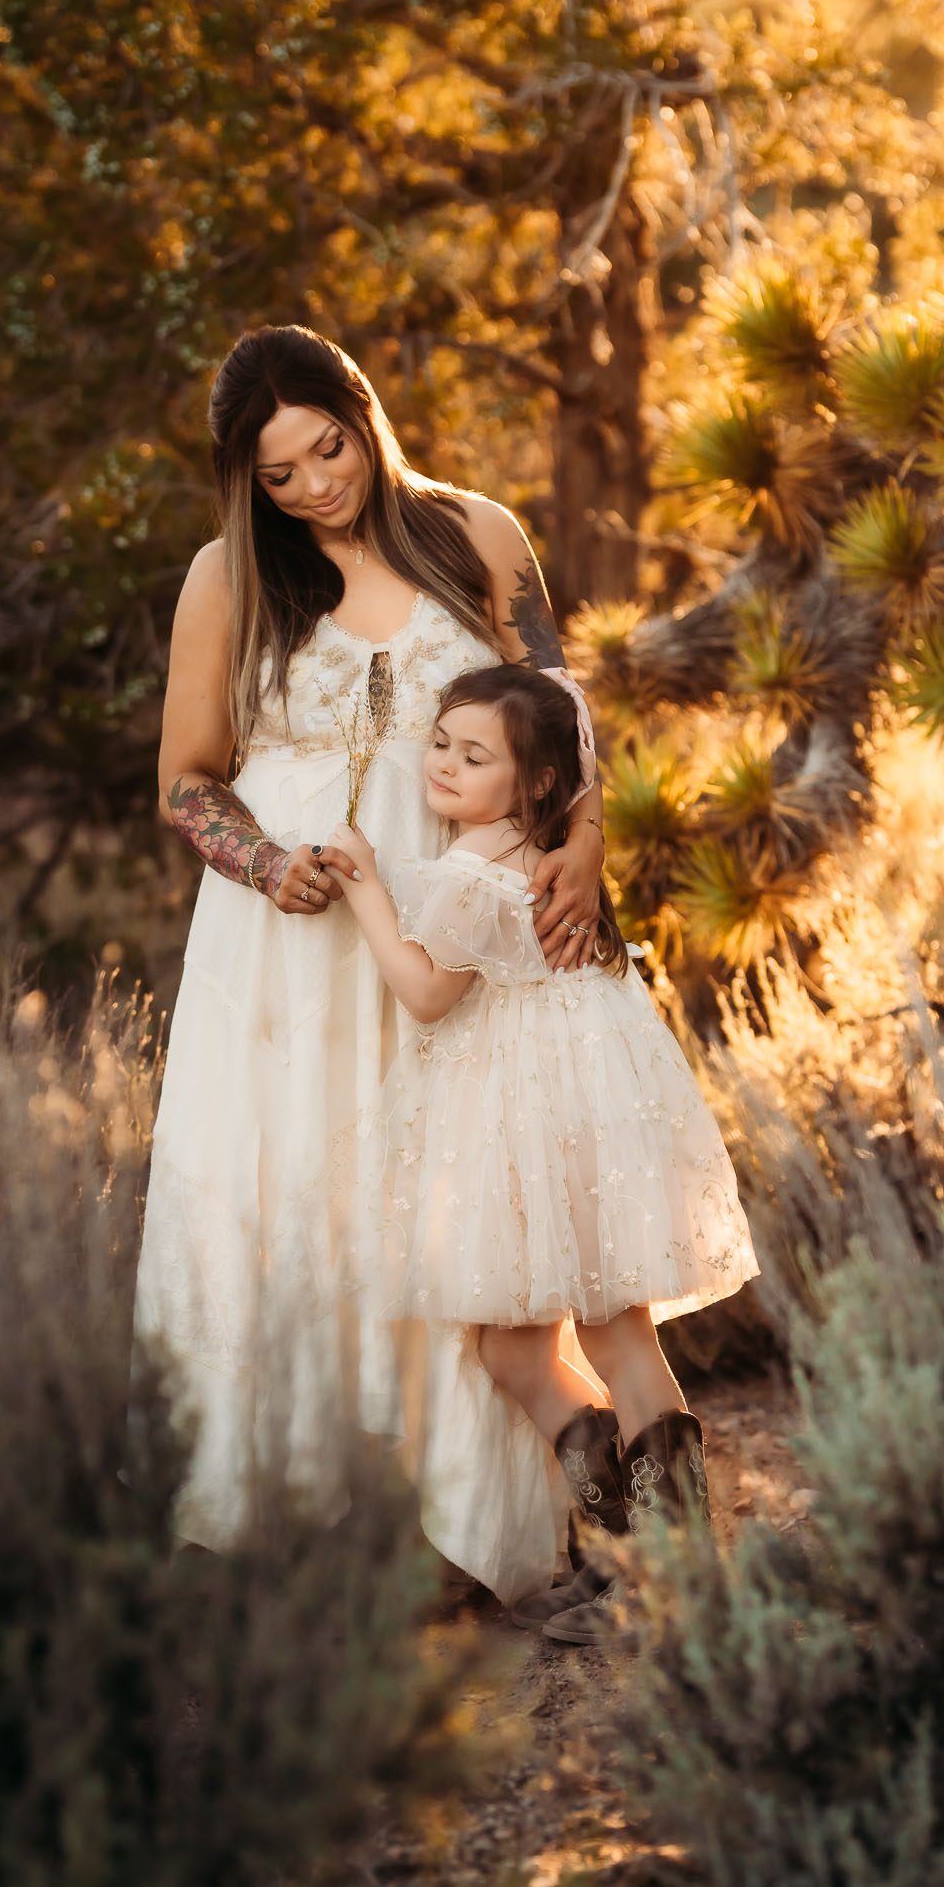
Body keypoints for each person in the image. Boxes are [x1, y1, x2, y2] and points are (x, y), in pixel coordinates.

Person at [133, 325, 608, 1591]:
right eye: (276, 474)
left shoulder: (480, 538)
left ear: (363, 410)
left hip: (450, 933)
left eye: (324, 447)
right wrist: (258, 860)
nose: (311, 487)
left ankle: (464, 1526)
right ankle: (300, 1534)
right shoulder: (227, 580)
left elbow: (564, 718)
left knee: (457, 1210)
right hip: (283, 963)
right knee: (293, 1203)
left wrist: (585, 847)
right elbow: (185, 784)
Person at [323, 662, 760, 1644]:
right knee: (517, 1344)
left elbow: (427, 991)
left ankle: (671, 1574)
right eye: (438, 741)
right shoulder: (536, 850)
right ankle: (628, 1555)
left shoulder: (474, 867)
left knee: (612, 1330)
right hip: (580, 1101)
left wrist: (363, 890)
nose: (441, 762)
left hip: (543, 1109)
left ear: (532, 786)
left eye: (472, 754)